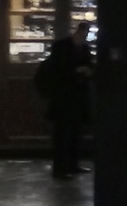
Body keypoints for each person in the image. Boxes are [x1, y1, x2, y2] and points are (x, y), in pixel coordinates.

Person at [35, 34, 92, 178]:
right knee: (64, 135)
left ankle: (69, 166)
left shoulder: (60, 54)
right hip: (66, 101)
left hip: (68, 101)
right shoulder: (63, 57)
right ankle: (62, 169)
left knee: (71, 134)